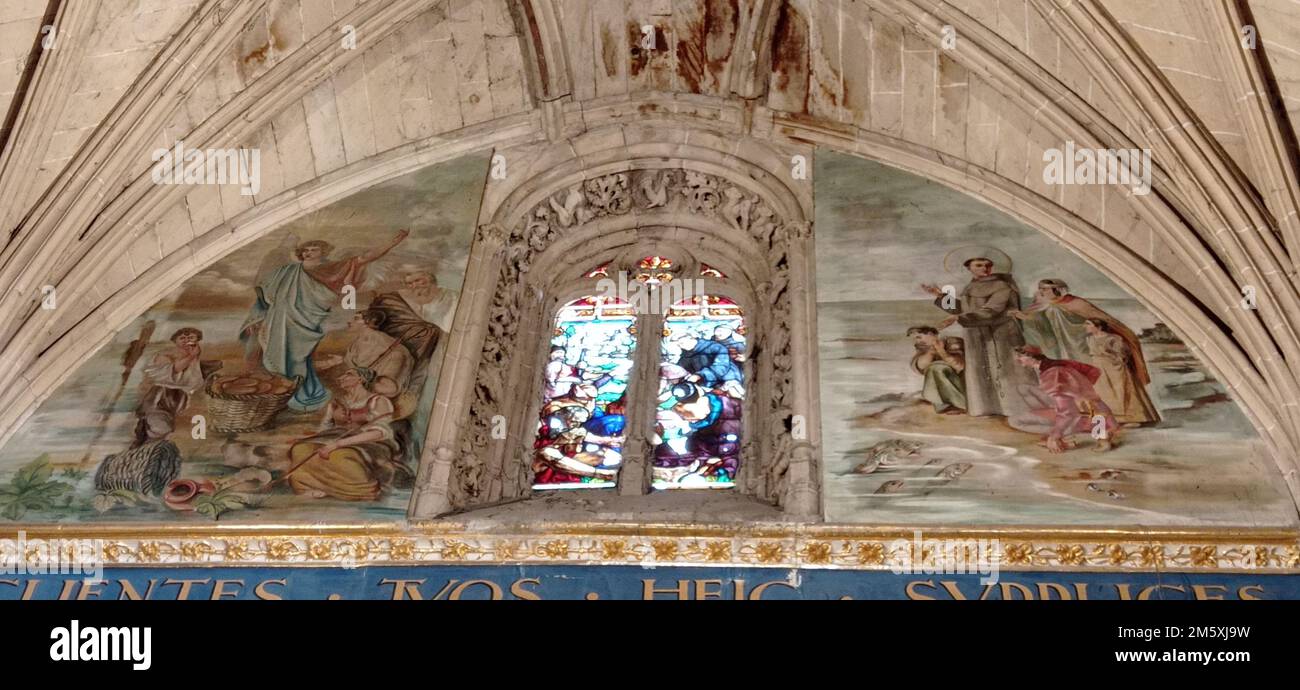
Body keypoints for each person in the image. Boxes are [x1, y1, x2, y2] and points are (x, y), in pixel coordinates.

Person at [240, 230, 408, 411]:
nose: (308, 253)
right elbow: (264, 291)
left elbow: (365, 258)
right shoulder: (288, 271)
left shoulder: (333, 268)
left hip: (307, 320)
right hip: (280, 318)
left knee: (298, 358)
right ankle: (280, 394)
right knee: (277, 355)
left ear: (324, 252)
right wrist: (258, 317)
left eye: (314, 249)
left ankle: (297, 393)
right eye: (305, 250)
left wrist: (392, 243)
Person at [922, 256, 1028, 417]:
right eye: (979, 265)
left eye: (988, 265)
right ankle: (986, 408)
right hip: (975, 333)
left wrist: (958, 318)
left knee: (1002, 369)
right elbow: (961, 309)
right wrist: (940, 295)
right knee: (980, 369)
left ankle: (1011, 409)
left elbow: (992, 310)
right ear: (969, 267)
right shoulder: (971, 286)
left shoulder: (1002, 286)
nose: (984, 268)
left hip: (999, 333)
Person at [285, 367, 411, 501]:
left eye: (348, 374)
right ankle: (311, 485)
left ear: (360, 379)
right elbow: (325, 430)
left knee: (340, 456)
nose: (341, 378)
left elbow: (379, 433)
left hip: (370, 443)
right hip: (336, 437)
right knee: (300, 449)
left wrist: (337, 444)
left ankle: (361, 490)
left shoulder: (378, 401)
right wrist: (326, 423)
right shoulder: (337, 402)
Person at [1012, 345, 1117, 453]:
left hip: (1090, 419)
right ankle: (1065, 435)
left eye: (1020, 356)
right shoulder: (1058, 365)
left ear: (1031, 357)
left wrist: (1054, 436)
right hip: (1098, 414)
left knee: (1015, 421)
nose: (1017, 359)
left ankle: (1060, 438)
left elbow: (1067, 412)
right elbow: (1093, 373)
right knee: (1025, 394)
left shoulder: (1053, 373)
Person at [369, 271, 458, 390]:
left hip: (445, 348)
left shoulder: (451, 297)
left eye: (418, 281)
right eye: (409, 283)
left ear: (430, 279)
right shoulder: (407, 301)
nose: (414, 286)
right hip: (424, 353)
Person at [132, 328, 214, 448]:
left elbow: (193, 377)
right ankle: (145, 448)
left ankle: (152, 448)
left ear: (197, 340)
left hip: (179, 397)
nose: (187, 341)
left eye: (191, 338)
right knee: (160, 425)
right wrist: (192, 357)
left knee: (168, 426)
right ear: (175, 341)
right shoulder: (167, 354)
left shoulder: (192, 356)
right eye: (182, 338)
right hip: (162, 395)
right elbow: (173, 370)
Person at [1085, 318, 1160, 425]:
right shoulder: (1090, 339)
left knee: (1122, 392)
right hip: (1099, 368)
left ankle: (1131, 419)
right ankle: (1108, 419)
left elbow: (1123, 354)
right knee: (1102, 393)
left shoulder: (1113, 338)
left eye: (1088, 324)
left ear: (1098, 326)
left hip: (1115, 369)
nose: (1085, 327)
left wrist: (1116, 362)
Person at [907, 326, 967, 414]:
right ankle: (944, 405)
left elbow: (959, 366)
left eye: (919, 337)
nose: (917, 342)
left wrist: (941, 350)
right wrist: (931, 351)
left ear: (931, 334)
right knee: (933, 368)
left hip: (962, 381)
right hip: (944, 383)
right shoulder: (925, 349)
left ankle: (959, 404)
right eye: (915, 339)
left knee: (936, 368)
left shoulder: (953, 342)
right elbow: (921, 367)